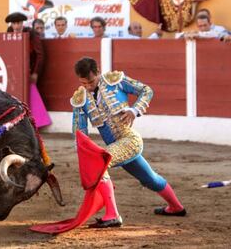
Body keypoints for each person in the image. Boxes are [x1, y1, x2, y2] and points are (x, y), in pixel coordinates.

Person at [71, 57, 186, 228]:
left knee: (100, 165)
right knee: (150, 179)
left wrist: (134, 110)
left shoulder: (115, 81)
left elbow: (146, 90)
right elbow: (80, 131)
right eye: (84, 83)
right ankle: (176, 207)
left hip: (130, 140)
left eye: (91, 81)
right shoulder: (81, 98)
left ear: (98, 73)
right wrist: (83, 151)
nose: (88, 86)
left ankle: (112, 215)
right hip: (116, 146)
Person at [5, 12, 50, 128]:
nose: (16, 26)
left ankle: (34, 122)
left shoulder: (30, 33)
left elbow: (40, 54)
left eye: (19, 23)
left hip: (28, 70)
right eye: (14, 23)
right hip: (12, 72)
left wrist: (35, 72)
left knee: (29, 94)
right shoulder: (8, 33)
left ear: (22, 23)